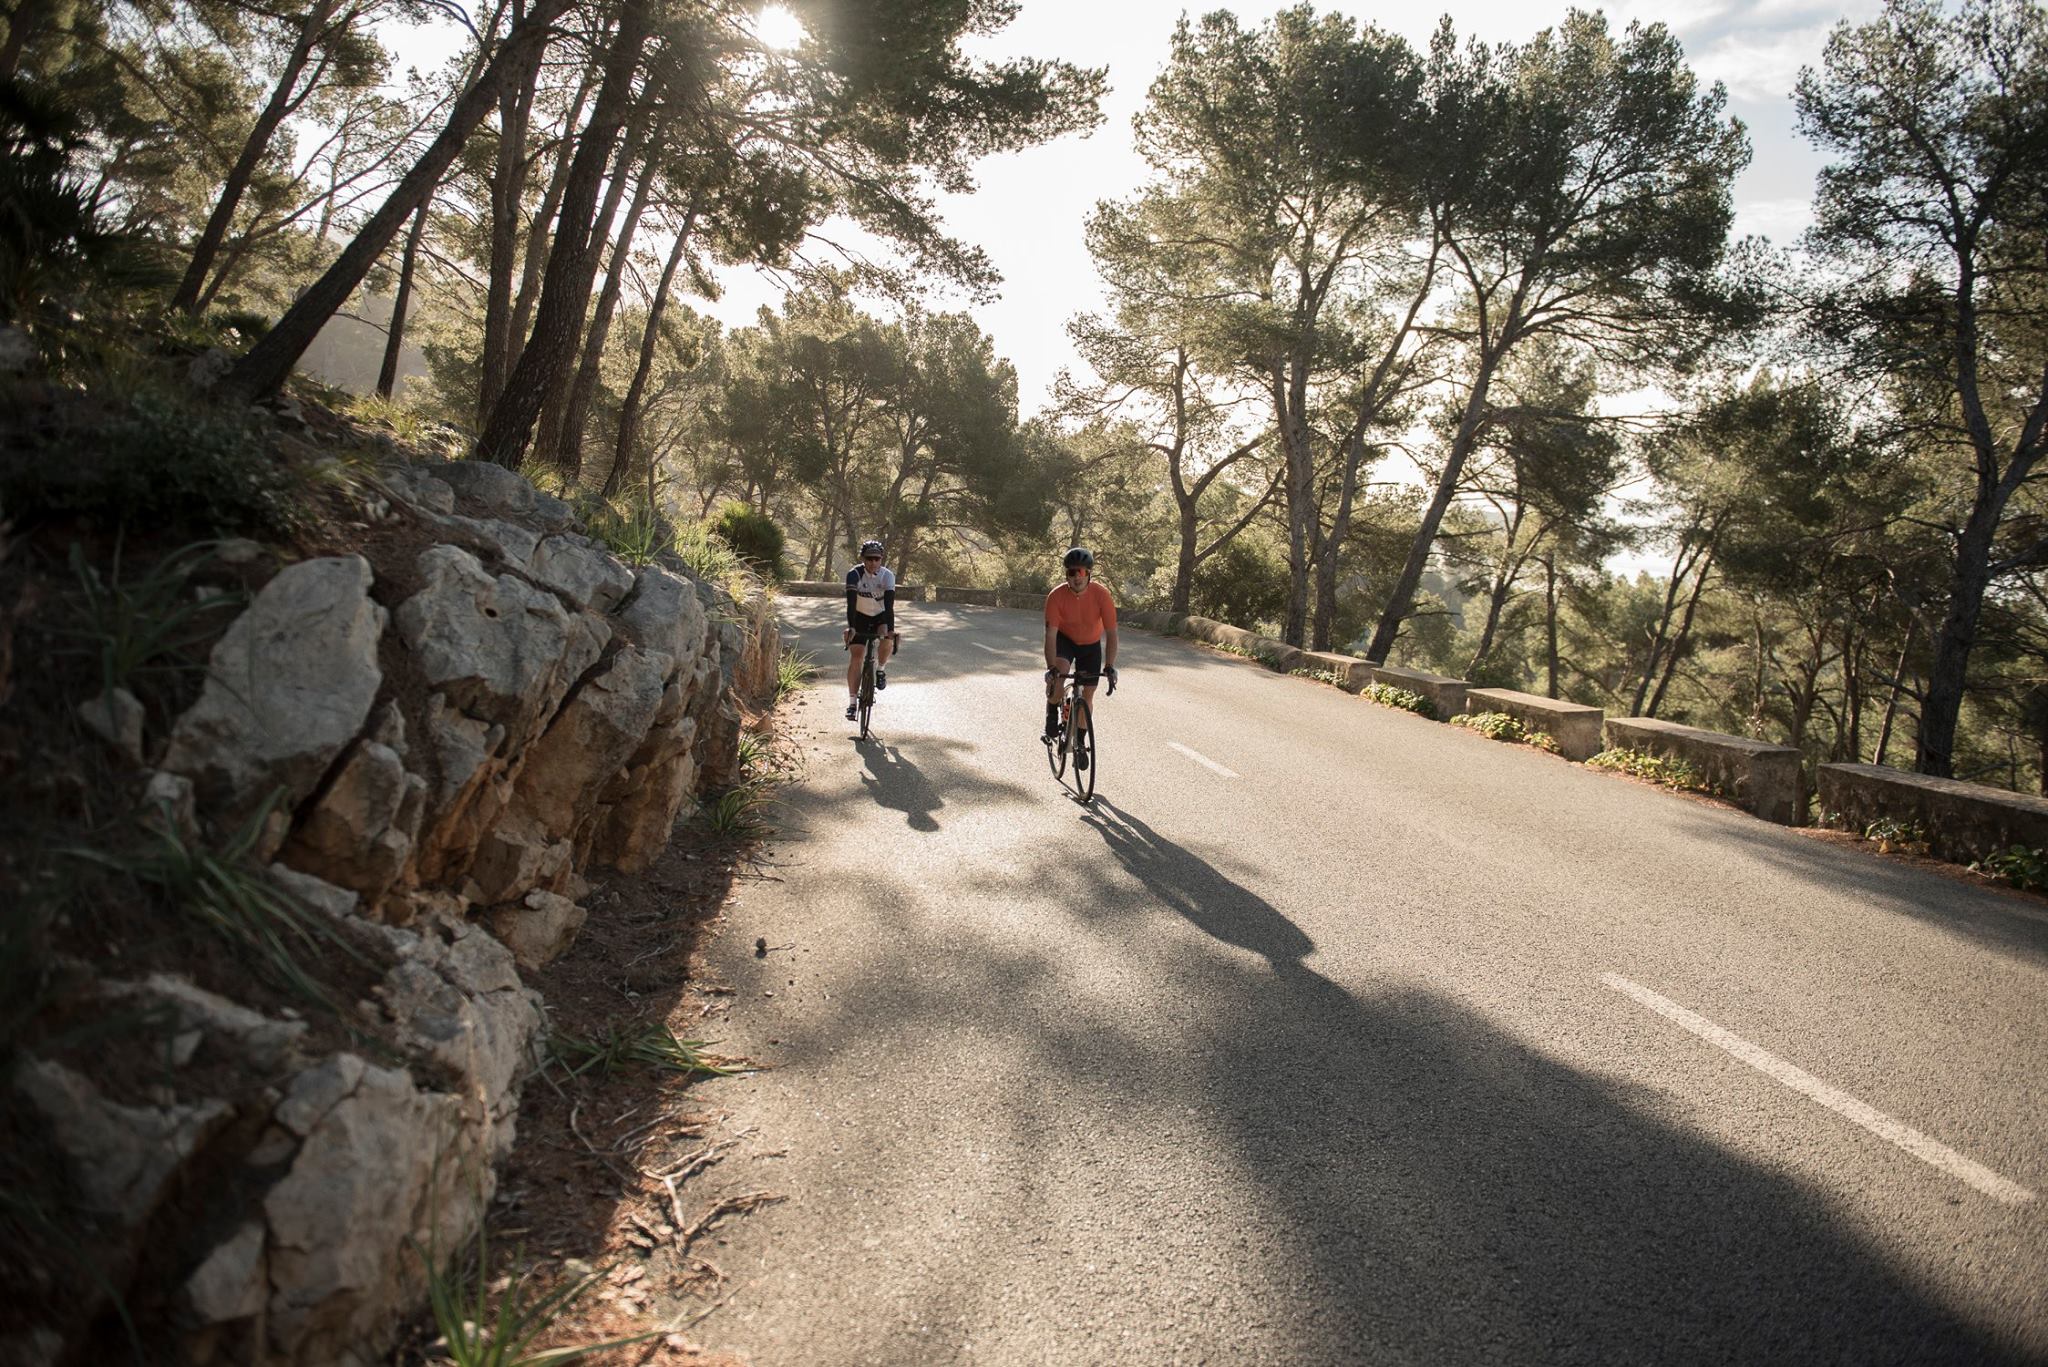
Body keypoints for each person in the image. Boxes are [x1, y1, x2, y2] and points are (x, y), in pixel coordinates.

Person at [1043, 546, 1118, 768]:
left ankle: (1080, 743)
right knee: (1059, 675)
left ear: (1089, 574)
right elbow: (1050, 636)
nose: (1077, 577)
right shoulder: (1056, 597)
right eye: (1072, 572)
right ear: (1067, 575)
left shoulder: (1102, 595)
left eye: (1082, 572)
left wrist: (1110, 665)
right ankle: (1051, 712)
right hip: (1065, 641)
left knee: (1088, 694)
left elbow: (1112, 634)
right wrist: (1051, 667)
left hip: (1090, 645)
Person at [844, 539, 897, 720]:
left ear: (881, 559)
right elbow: (851, 604)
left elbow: (889, 606)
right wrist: (851, 627)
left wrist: (891, 630)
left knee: (887, 638)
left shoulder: (887, 576)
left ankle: (880, 669)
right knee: (857, 656)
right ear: (863, 559)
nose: (873, 562)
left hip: (880, 617)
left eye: (877, 559)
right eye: (869, 559)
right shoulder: (854, 574)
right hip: (860, 616)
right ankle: (852, 703)